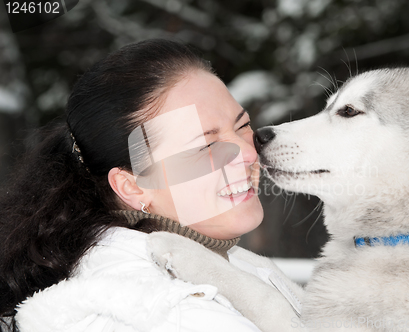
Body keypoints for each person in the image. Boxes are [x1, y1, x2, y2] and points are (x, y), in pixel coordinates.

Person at [0, 39, 301, 332]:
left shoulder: (221, 261)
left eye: (242, 125)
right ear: (132, 187)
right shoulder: (174, 314)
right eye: (206, 145)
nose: (249, 153)